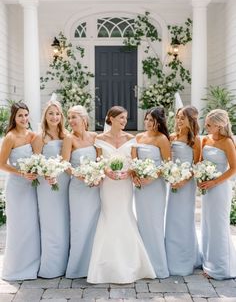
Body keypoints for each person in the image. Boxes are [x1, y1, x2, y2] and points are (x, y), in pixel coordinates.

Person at [87, 106, 156, 284]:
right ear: (110, 118)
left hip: (125, 185)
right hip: (108, 185)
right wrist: (107, 171)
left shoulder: (131, 139)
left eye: (125, 118)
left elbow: (133, 162)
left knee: (125, 216)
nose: (124, 121)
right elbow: (99, 161)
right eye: (121, 118)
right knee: (109, 217)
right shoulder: (99, 139)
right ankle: (105, 266)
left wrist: (129, 173)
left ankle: (131, 264)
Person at [0, 102, 40, 280]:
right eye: (20, 116)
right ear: (14, 118)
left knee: (31, 225)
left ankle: (33, 265)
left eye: (26, 115)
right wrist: (21, 173)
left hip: (31, 187)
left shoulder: (33, 136)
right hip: (16, 187)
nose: (24, 119)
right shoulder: (10, 137)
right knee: (18, 226)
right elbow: (1, 164)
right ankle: (16, 268)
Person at [61, 105, 100, 278]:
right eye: (69, 118)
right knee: (79, 225)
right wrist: (81, 176)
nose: (70, 121)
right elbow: (65, 164)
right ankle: (77, 268)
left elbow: (100, 160)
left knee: (95, 224)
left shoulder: (94, 137)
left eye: (74, 117)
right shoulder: (69, 139)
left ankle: (94, 264)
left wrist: (97, 175)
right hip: (78, 188)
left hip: (95, 188)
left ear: (84, 119)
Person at [32, 100, 70, 278]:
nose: (54, 117)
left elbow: (65, 160)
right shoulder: (40, 137)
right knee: (50, 223)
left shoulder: (65, 136)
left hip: (63, 181)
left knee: (64, 221)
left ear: (61, 116)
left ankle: (65, 263)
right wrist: (46, 173)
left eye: (57, 114)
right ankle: (50, 266)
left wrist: (57, 172)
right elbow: (36, 161)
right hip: (46, 184)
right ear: (45, 116)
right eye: (50, 114)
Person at [131, 106, 170, 278]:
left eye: (151, 121)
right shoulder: (138, 137)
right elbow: (132, 160)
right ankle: (143, 263)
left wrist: (152, 177)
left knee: (154, 223)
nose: (148, 123)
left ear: (158, 122)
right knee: (142, 221)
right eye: (146, 119)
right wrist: (135, 175)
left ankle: (158, 266)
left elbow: (167, 164)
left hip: (155, 186)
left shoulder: (162, 139)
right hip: (140, 186)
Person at [199, 109, 236, 279]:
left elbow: (234, 168)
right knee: (207, 224)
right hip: (207, 188)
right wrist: (201, 177)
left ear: (219, 125)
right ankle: (209, 263)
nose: (205, 127)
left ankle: (221, 268)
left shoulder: (227, 142)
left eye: (209, 124)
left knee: (219, 226)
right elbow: (200, 162)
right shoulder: (205, 139)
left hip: (220, 188)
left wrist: (214, 182)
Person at [165, 106, 202, 276]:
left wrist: (183, 181)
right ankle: (171, 257)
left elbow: (196, 166)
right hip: (172, 183)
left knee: (184, 218)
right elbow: (167, 161)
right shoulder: (171, 137)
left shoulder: (195, 141)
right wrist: (171, 177)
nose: (178, 121)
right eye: (178, 117)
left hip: (186, 185)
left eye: (182, 118)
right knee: (172, 218)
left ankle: (186, 258)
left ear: (191, 120)